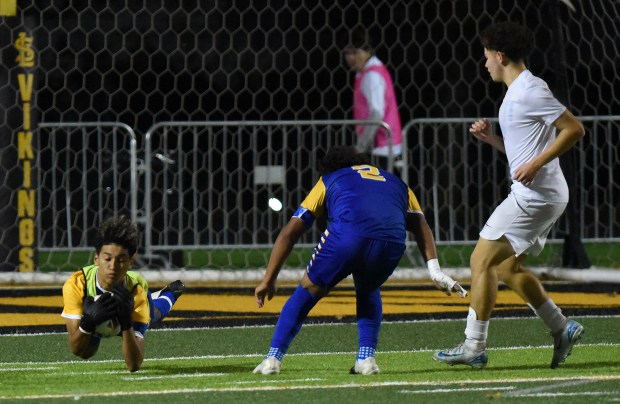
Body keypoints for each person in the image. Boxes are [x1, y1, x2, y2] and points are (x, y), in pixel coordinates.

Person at [433, 22, 586, 370]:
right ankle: (562, 328)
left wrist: (536, 164)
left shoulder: (530, 90)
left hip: (535, 196)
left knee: (480, 261)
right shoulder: (518, 92)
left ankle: (473, 346)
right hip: (543, 193)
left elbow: (574, 129)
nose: (484, 63)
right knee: (505, 266)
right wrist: (494, 141)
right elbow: (525, 153)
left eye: (486, 56)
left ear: (499, 56)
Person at [253, 146, 466, 375]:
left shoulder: (330, 178)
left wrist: (269, 278)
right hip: (391, 242)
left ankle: (272, 359)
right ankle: (366, 358)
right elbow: (420, 225)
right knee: (368, 287)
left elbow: (290, 233)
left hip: (347, 238)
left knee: (308, 288)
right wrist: (434, 270)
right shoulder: (397, 182)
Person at [61, 215, 185, 372]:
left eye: (121, 260)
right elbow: (76, 349)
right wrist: (88, 323)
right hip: (94, 320)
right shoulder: (77, 284)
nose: (113, 266)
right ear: (96, 259)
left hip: (131, 305)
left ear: (131, 262)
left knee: (154, 314)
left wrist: (126, 323)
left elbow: (134, 365)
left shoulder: (136, 289)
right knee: (87, 352)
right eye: (107, 259)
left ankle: (170, 294)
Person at [343, 27, 403, 171]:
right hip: (382, 146)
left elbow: (377, 113)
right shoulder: (366, 72)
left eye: (356, 52)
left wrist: (360, 147)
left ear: (368, 51)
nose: (351, 58)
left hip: (381, 147)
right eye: (347, 53)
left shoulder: (372, 76)